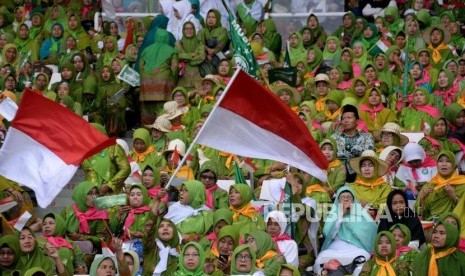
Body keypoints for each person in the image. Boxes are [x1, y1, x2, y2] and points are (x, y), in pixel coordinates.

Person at [314, 186, 377, 274]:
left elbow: (372, 230)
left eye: (349, 197)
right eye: (343, 197)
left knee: (363, 262)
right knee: (319, 261)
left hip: (357, 249)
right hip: (334, 250)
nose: (346, 200)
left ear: (354, 200)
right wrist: (340, 216)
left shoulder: (362, 215)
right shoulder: (333, 215)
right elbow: (326, 233)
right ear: (338, 201)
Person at [415, 150, 465, 219]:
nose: (444, 164)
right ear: (437, 165)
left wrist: (454, 197)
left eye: (448, 161)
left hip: (452, 224)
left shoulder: (462, 185)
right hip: (431, 224)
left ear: (454, 165)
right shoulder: (429, 185)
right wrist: (423, 199)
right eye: (440, 161)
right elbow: (419, 213)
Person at [331, 104, 375, 182]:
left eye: (349, 118)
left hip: (361, 173)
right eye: (343, 118)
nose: (346, 121)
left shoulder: (367, 137)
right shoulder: (334, 138)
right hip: (339, 174)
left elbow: (370, 157)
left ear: (357, 121)